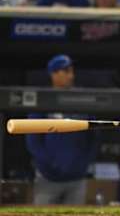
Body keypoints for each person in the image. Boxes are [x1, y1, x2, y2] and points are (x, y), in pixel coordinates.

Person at [26, 54, 96, 205]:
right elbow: (33, 140)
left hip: (77, 178)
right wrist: (49, 164)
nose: (71, 76)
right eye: (66, 71)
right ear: (53, 74)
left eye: (71, 71)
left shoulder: (83, 100)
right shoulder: (43, 100)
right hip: (48, 178)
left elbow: (94, 135)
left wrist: (84, 163)